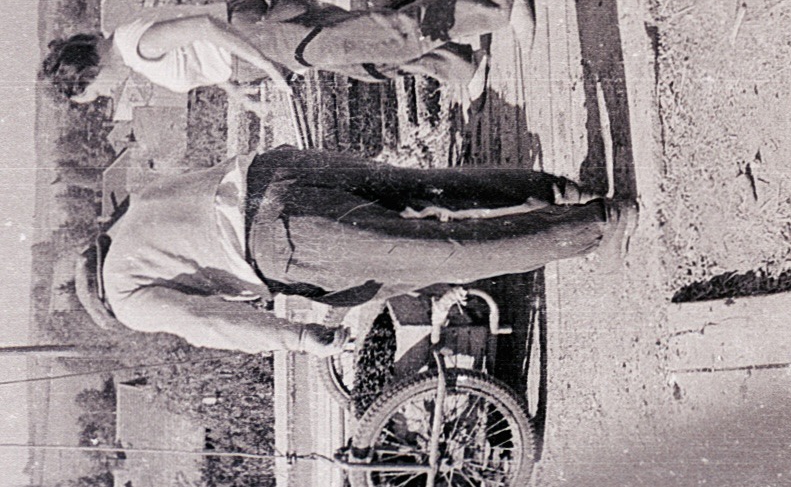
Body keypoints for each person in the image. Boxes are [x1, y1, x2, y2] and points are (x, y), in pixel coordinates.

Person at [73, 146, 635, 355]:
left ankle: (599, 223)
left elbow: (208, 323)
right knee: (426, 186)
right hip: (277, 168)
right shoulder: (132, 210)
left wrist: (300, 338)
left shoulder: (126, 299)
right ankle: (564, 190)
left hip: (282, 236)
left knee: (446, 253)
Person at [40, 0, 536, 107]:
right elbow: (203, 52)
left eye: (96, 92)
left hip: (263, 36)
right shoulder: (130, 45)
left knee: (378, 39)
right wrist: (233, 87)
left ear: (90, 72)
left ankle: (498, 3)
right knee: (365, 59)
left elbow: (207, 30)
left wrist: (266, 66)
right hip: (258, 34)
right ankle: (457, 66)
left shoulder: (135, 46)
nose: (107, 96)